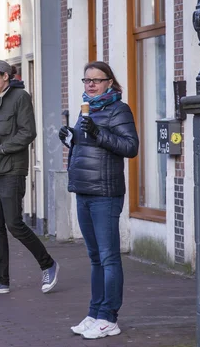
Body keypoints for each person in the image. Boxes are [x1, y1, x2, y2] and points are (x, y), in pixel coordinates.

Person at [59, 61, 139, 340]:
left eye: (96, 80)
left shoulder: (119, 109)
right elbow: (88, 148)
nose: (90, 84)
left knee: (108, 258)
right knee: (94, 258)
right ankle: (94, 313)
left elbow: (130, 147)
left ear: (109, 83)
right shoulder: (87, 110)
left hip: (105, 193)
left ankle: (109, 318)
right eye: (86, 80)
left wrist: (96, 133)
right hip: (83, 191)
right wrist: (71, 139)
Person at [0, 60, 58, 294]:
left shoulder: (20, 98)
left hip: (11, 170)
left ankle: (48, 264)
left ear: (5, 77)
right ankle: (0, 280)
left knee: (14, 224)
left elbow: (29, 132)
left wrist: (2, 149)